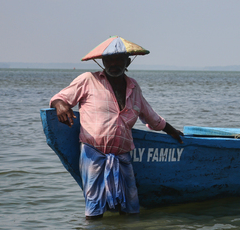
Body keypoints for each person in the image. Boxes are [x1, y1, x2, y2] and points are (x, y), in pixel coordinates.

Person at [50, 43, 183, 220]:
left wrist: (172, 131)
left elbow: (150, 116)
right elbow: (60, 98)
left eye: (118, 59)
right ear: (102, 62)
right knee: (94, 208)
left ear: (127, 62)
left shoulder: (133, 87)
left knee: (130, 208)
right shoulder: (88, 80)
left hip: (123, 155)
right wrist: (60, 106)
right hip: (93, 153)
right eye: (109, 60)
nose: (114, 64)